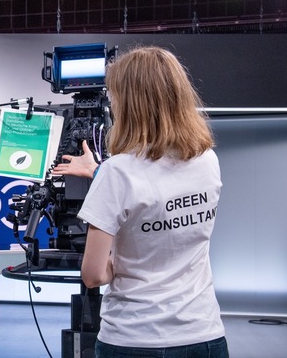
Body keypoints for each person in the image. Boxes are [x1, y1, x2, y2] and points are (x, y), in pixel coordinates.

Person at [53, 46, 229, 358]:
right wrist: (97, 172)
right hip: (205, 335)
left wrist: (121, 263)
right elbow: (158, 190)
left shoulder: (117, 173)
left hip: (134, 340)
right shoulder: (207, 160)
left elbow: (92, 275)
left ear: (129, 103)